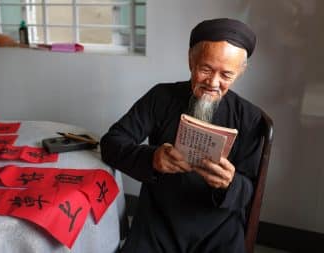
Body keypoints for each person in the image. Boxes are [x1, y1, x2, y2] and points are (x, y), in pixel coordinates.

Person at [100, 18, 263, 253]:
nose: (213, 83)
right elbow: (111, 143)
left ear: (240, 72)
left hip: (218, 226)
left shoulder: (250, 118)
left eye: (226, 75)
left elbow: (250, 192)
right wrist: (152, 158)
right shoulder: (161, 97)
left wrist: (230, 183)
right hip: (159, 217)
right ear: (191, 60)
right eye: (205, 69)